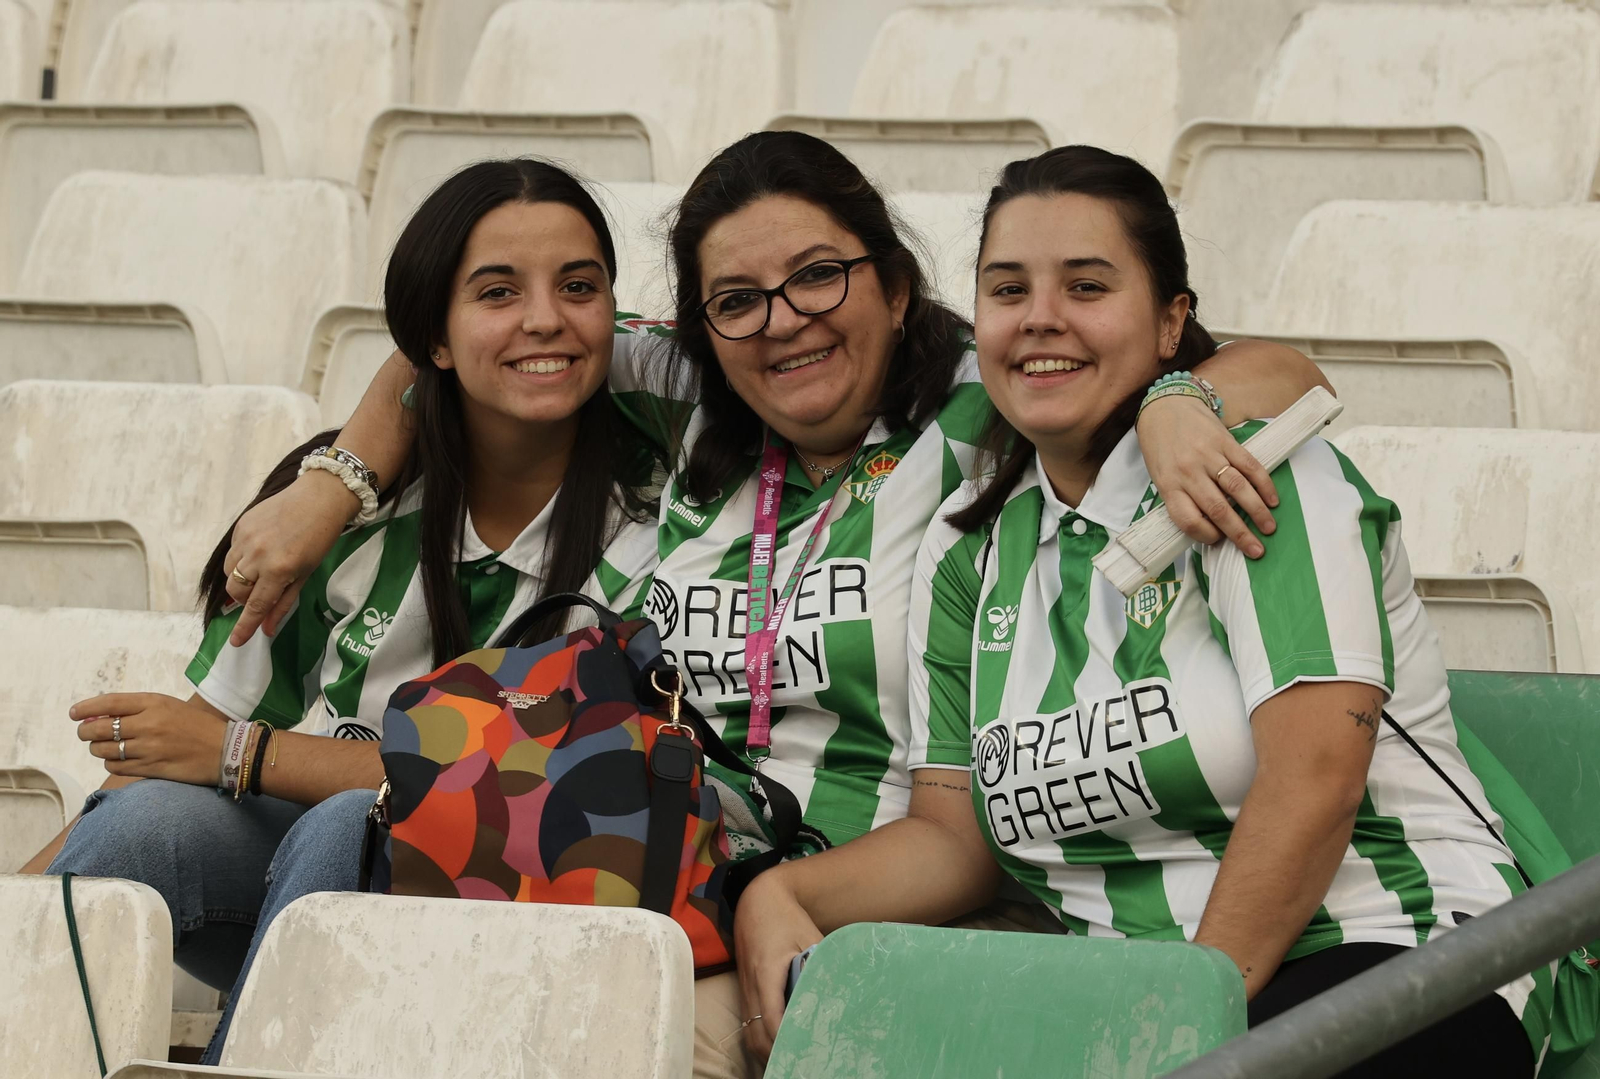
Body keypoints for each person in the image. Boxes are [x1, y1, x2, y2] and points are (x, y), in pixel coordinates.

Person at [218, 132, 1332, 1078]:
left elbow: (1272, 370)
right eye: (737, 301)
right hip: (652, 866)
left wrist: (1181, 402)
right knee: (379, 903)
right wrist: (341, 476)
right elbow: (465, 344)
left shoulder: (979, 395)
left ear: (895, 286)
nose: (783, 321)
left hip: (866, 893)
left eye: (820, 276)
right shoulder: (704, 396)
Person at [734, 146, 1549, 1077]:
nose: (1041, 318)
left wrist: (1174, 1030)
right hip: (1127, 1004)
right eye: (1008, 290)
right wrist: (780, 891)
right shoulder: (969, 554)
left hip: (1388, 952)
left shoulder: (1257, 471)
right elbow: (951, 836)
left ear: (1171, 322)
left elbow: (1316, 776)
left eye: (1087, 286)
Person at [26, 158, 663, 1061]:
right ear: (430, 341)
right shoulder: (334, 516)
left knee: (347, 823)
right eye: (496, 291)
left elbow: (526, 790)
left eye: (578, 286)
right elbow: (185, 752)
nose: (545, 319)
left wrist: (247, 756)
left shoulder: (665, 511)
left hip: (547, 911)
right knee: (142, 823)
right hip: (319, 890)